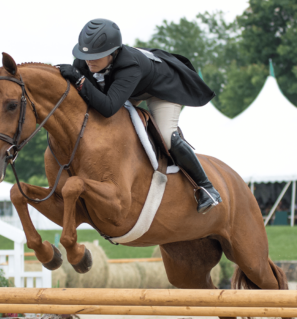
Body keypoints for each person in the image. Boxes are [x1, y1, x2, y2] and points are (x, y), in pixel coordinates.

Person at [58, 18, 221, 214]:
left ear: (113, 53)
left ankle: (206, 187)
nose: (89, 61)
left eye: (97, 55)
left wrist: (80, 80)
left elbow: (108, 106)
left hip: (161, 89)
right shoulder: (84, 61)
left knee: (167, 136)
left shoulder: (129, 66)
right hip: (129, 90)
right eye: (86, 55)